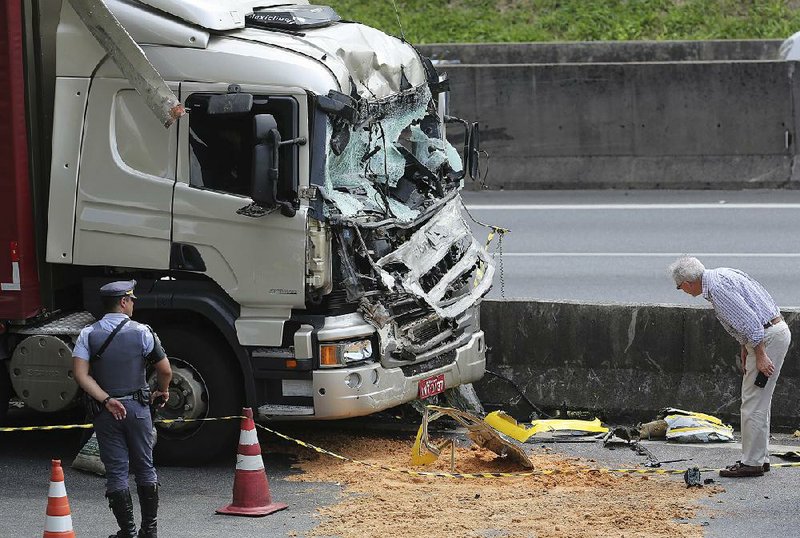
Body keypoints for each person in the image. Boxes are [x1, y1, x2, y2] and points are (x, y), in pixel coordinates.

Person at [669, 256, 791, 478]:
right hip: (773, 330)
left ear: (687, 283)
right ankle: (759, 459)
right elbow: (757, 304)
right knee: (760, 400)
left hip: (766, 338)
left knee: (752, 401)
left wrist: (760, 354)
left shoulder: (717, 289)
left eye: (680, 287)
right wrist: (746, 347)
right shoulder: (722, 274)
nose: (682, 291)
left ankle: (751, 462)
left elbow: (752, 324)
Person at [73, 280, 172, 537]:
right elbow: (165, 370)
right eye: (132, 299)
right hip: (138, 409)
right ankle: (149, 530)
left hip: (107, 412)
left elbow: (81, 376)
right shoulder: (142, 332)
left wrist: (106, 400)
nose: (134, 303)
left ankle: (126, 532)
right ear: (124, 302)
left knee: (116, 472)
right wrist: (163, 390)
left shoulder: (87, 334)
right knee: (145, 467)